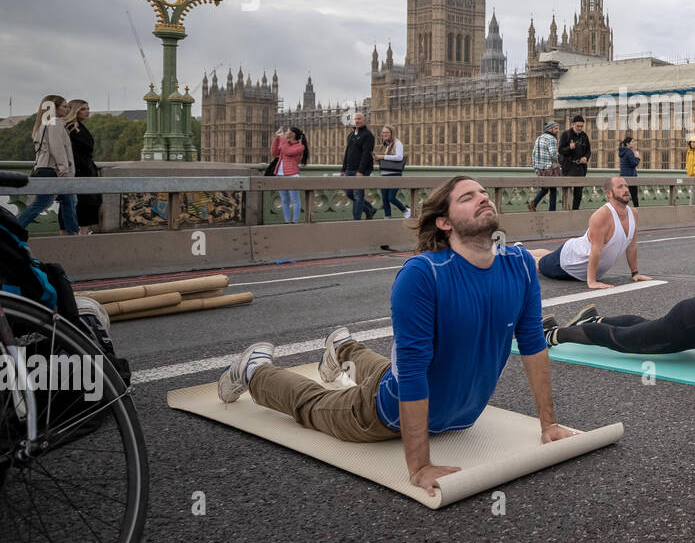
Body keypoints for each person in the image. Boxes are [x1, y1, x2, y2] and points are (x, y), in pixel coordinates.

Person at [218, 177, 576, 496]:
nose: (483, 198)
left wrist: (550, 425)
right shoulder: (423, 275)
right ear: (445, 222)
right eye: (468, 197)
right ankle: (253, 371)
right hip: (382, 416)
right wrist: (419, 466)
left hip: (462, 417)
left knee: (394, 367)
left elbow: (532, 344)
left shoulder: (520, 266)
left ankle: (342, 347)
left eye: (484, 192)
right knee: (312, 405)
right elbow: (413, 372)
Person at [546, 179, 695, 384]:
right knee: (623, 340)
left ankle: (594, 319)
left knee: (646, 327)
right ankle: (553, 334)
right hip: (691, 325)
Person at [528, 176, 650, 289]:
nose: (626, 189)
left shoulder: (633, 213)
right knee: (538, 265)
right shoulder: (602, 215)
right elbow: (596, 250)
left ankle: (525, 250)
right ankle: (517, 252)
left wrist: (635, 273)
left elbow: (632, 246)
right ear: (608, 193)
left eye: (626, 186)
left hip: (575, 253)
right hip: (569, 263)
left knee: (550, 255)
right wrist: (592, 282)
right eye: (620, 187)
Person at [17, 94, 78, 235]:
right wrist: (64, 168)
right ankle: (10, 231)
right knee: (41, 204)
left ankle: (73, 235)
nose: (67, 110)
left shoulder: (43, 125)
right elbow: (57, 147)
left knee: (69, 202)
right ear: (54, 108)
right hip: (54, 171)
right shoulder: (55, 122)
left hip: (45, 169)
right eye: (64, 106)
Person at [64, 100, 99, 234]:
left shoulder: (79, 126)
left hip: (86, 169)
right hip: (79, 171)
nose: (87, 111)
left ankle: (82, 232)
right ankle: (82, 233)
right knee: (84, 203)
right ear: (75, 111)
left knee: (88, 202)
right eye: (83, 109)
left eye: (88, 109)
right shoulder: (71, 128)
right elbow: (72, 153)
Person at [342, 111, 376, 220]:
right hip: (349, 169)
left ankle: (356, 220)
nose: (357, 121)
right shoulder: (351, 135)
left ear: (364, 121)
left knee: (358, 195)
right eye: (355, 119)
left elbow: (366, 154)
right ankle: (369, 209)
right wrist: (343, 169)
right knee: (349, 193)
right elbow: (347, 152)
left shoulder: (368, 135)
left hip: (360, 170)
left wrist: (361, 171)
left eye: (359, 119)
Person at [271, 126, 309, 224]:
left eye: (288, 131)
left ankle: (295, 221)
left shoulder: (300, 147)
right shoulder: (285, 144)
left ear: (293, 134)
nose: (286, 132)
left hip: (292, 175)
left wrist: (282, 139)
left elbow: (287, 152)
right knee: (284, 200)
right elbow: (274, 152)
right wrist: (276, 139)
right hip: (280, 174)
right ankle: (287, 221)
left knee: (295, 200)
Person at [374, 124, 409, 219]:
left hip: (395, 174)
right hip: (384, 174)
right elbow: (387, 159)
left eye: (387, 132)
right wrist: (378, 158)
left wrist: (383, 157)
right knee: (384, 199)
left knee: (391, 197)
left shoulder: (398, 143)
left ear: (392, 133)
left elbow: (399, 157)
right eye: (383, 133)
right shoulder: (384, 145)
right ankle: (387, 216)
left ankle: (405, 210)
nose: (384, 134)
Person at [558, 115, 591, 211]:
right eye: (578, 126)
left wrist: (585, 157)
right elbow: (560, 150)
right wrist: (569, 148)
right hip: (569, 167)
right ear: (573, 124)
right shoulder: (566, 135)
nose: (580, 128)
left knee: (578, 193)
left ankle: (575, 211)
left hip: (580, 168)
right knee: (566, 192)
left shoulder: (584, 136)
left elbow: (588, 151)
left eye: (581, 126)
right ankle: (566, 211)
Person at [528, 120, 561, 213]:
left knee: (545, 188)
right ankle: (552, 211)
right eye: (556, 128)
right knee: (553, 190)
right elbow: (553, 155)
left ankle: (534, 203)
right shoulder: (552, 139)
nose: (558, 130)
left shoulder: (539, 138)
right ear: (550, 129)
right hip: (549, 169)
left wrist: (536, 168)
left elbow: (533, 154)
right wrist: (560, 160)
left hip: (540, 169)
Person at [618, 135, 641, 207]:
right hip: (631, 177)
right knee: (634, 196)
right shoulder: (629, 152)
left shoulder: (622, 152)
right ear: (628, 144)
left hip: (623, 176)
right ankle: (637, 211)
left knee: (623, 196)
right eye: (632, 142)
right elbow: (633, 164)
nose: (634, 143)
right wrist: (637, 158)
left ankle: (621, 210)